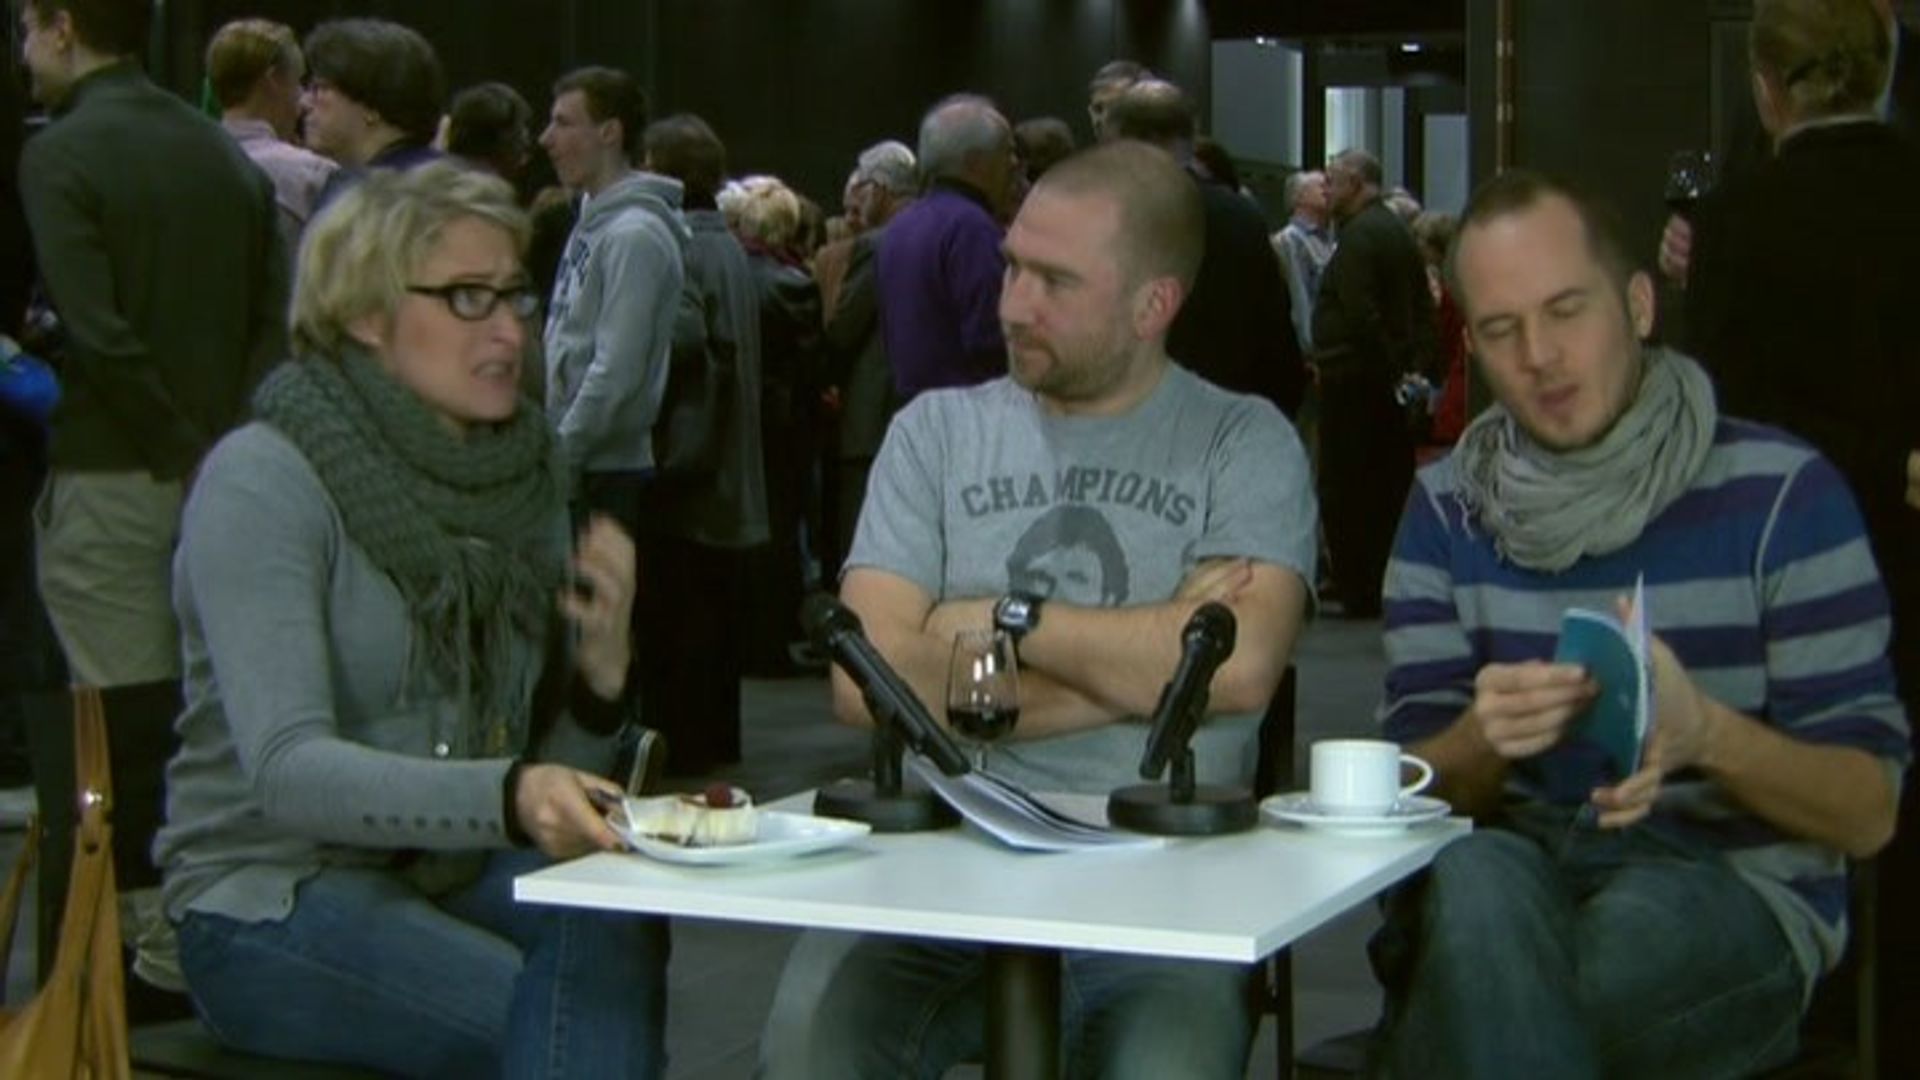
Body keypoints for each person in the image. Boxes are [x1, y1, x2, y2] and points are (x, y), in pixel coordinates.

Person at [760, 139, 1317, 1080]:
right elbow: (864, 686)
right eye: (1013, 266)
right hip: (939, 861)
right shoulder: (934, 434)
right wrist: (1148, 671)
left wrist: (999, 618)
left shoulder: (1242, 443)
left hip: (1165, 878)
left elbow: (1239, 669)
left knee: (1168, 1067)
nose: (1012, 305)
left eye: (1055, 282)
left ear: (1153, 305)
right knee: (810, 1045)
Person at [1370, 169, 1908, 1078]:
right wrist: (1480, 739)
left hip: (1725, 886)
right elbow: (1405, 798)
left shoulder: (1783, 495)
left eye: (1566, 311)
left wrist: (1708, 736)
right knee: (1476, 880)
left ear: (1639, 306)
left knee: (1493, 998)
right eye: (1501, 329)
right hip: (1511, 870)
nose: (1539, 355)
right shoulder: (1447, 509)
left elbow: (1867, 814)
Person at [154, 161, 667, 1076]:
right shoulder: (265, 477)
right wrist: (508, 796)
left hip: (447, 866)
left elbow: (545, 779)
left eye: (515, 296)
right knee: (545, 1017)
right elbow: (288, 770)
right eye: (468, 298)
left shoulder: (525, 480)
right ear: (365, 313)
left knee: (614, 916)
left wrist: (600, 676)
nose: (509, 329)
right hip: (271, 891)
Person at [1682, 0, 1920, 1069]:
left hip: (1773, 558)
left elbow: (1718, 414)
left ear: (1766, 88)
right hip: (1906, 543)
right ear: (1887, 68)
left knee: (1787, 778)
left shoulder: (1737, 219)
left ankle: (1800, 1003)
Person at [637, 112, 769, 775]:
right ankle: (715, 741)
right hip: (730, 463)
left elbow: (682, 337)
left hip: (688, 467)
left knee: (680, 618)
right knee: (715, 618)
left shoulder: (678, 243)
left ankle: (683, 746)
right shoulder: (731, 247)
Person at [540, 65, 688, 538]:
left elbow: (617, 369)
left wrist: (563, 454)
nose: (546, 139)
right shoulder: (591, 221)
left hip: (603, 472)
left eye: (564, 123)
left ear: (609, 132)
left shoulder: (634, 235)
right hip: (579, 460)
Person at [1105, 79, 1305, 418]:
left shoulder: (1109, 215)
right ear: (1191, 136)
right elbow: (1274, 333)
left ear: (1124, 139)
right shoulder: (1242, 216)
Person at [1312, 147, 1438, 617]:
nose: (1326, 189)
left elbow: (1360, 313)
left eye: (1334, 179)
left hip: (1355, 382)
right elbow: (1420, 308)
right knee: (1383, 487)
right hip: (1382, 382)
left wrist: (1388, 368)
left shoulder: (1360, 237)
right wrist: (1413, 369)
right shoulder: (1393, 230)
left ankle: (1358, 585)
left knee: (1349, 487)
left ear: (1359, 183)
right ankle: (1374, 579)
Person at [876, 94, 1019, 401]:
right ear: (976, 163)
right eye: (1007, 151)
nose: (1015, 163)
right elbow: (991, 340)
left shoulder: (898, 228)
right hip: (971, 412)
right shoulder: (972, 229)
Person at [204, 18, 337, 261]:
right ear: (273, 80)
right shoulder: (311, 176)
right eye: (298, 82)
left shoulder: (181, 165)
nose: (304, 102)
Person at [302, 18, 444, 202]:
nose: (304, 102)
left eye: (321, 88)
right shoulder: (461, 183)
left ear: (371, 106)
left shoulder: (364, 195)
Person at [1271, 169, 1335, 356]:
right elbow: (1300, 298)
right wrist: (1309, 348)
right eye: (1321, 186)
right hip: (1311, 349)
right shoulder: (1290, 240)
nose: (1327, 191)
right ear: (1299, 197)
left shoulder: (1329, 242)